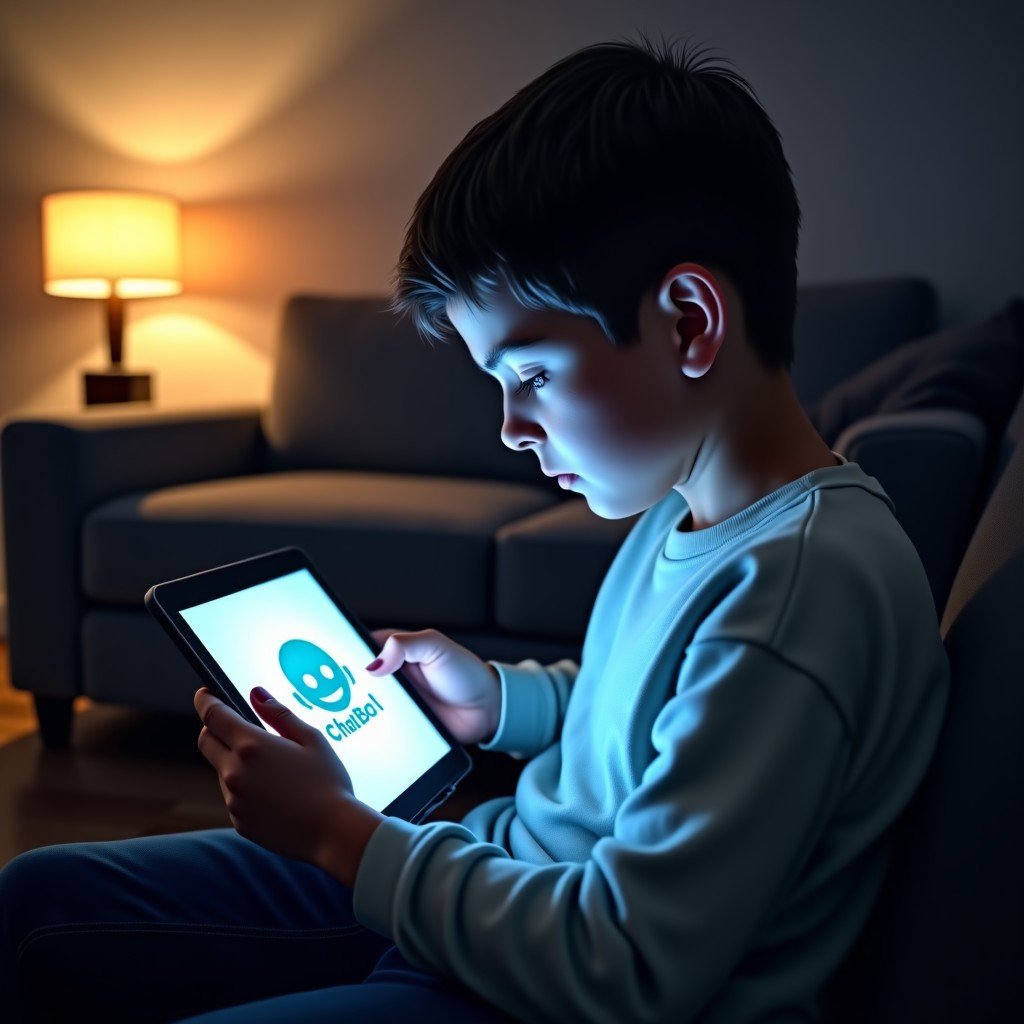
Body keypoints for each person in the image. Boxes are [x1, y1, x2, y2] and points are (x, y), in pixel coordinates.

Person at [0, 32, 949, 1023]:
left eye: (531, 373)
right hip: (494, 889)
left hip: (550, 978)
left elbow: (628, 966)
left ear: (687, 322)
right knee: (37, 900)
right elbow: (652, 718)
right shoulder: (692, 510)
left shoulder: (796, 593)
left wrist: (335, 832)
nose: (510, 427)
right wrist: (499, 702)